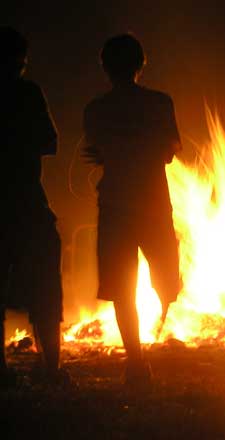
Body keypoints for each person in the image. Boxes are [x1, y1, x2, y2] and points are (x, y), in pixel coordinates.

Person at [82, 33, 182, 386]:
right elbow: (171, 150)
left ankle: (136, 360)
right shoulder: (159, 103)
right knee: (167, 276)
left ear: (105, 68)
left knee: (122, 288)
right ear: (141, 64)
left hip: (116, 204)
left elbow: (95, 150)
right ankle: (144, 353)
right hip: (152, 202)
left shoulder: (95, 110)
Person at [0, 26, 67, 387]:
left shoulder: (27, 92)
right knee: (44, 283)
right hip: (25, 201)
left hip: (18, 201)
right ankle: (51, 368)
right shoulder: (27, 94)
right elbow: (50, 141)